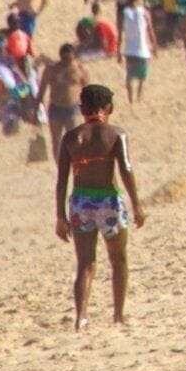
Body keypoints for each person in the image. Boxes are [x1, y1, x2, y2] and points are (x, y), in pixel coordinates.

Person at [57, 83, 144, 330]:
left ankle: (81, 317)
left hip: (80, 202)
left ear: (81, 108)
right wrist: (136, 204)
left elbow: (61, 180)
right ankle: (118, 315)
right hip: (108, 201)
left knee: (85, 263)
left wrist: (60, 215)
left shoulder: (72, 138)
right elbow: (125, 169)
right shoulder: (116, 135)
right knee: (119, 259)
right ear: (110, 108)